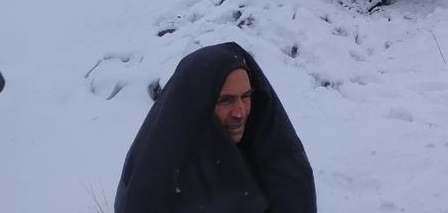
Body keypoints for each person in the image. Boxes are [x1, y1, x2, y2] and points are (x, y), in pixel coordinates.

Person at [114, 42, 317, 212]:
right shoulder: (156, 178)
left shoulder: (271, 150)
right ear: (196, 104)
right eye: (225, 101)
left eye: (246, 97)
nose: (240, 112)